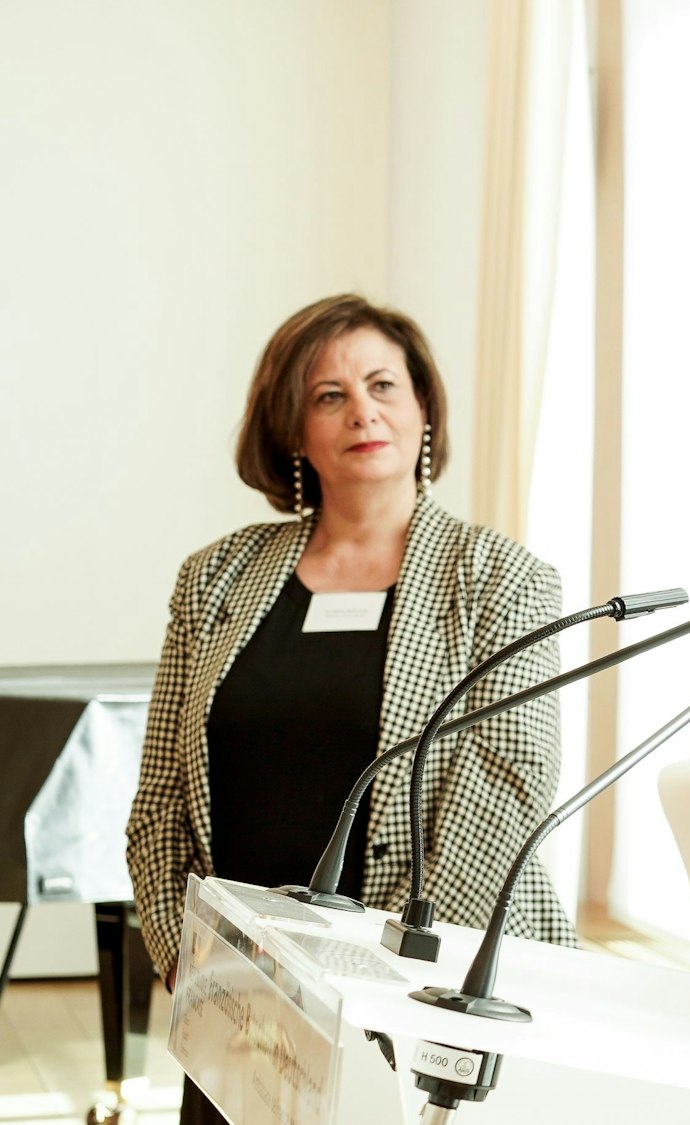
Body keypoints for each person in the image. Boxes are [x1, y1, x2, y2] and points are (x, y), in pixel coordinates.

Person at [124, 295, 577, 1124]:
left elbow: (506, 796)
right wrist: (190, 961)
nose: (362, 410)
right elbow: (159, 802)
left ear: (423, 406)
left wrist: (355, 986)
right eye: (329, 395)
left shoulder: (500, 579)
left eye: (382, 385)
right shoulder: (215, 577)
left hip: (425, 1007)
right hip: (237, 1006)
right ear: (293, 430)